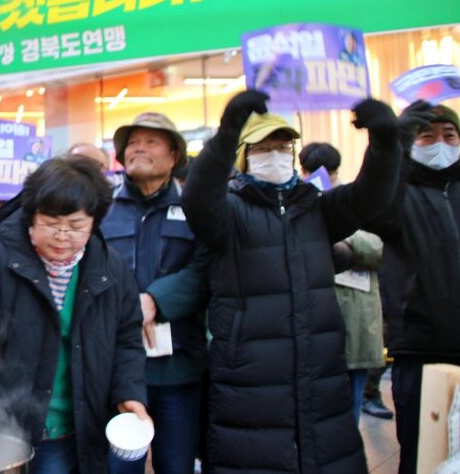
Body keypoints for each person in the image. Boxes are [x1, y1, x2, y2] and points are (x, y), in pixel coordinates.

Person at [180, 91, 401, 473]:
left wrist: (384, 142)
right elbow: (198, 199)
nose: (276, 154)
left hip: (320, 372)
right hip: (249, 378)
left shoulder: (315, 207)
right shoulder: (229, 213)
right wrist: (227, 133)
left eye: (283, 146)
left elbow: (370, 197)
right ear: (245, 157)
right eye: (263, 147)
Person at [0, 156, 150, 474]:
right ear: (31, 216)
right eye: (51, 223)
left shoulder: (110, 267)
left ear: (94, 222)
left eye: (76, 225)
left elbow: (127, 338)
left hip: (83, 425)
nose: (63, 236)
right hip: (10, 427)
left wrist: (129, 392)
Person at [367, 101, 460, 474]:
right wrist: (395, 146)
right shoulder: (397, 192)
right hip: (422, 353)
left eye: (448, 135)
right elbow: (373, 204)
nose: (439, 143)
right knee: (427, 458)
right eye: (427, 135)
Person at [101, 112, 208, 474]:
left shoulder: (196, 208)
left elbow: (206, 269)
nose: (138, 149)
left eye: (150, 142)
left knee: (176, 464)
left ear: (174, 155)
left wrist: (156, 300)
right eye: (132, 143)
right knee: (120, 467)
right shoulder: (103, 209)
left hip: (178, 366)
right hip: (118, 368)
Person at [299, 142, 386, 425]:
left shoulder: (358, 201)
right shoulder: (297, 203)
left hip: (355, 317)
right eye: (311, 171)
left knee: (350, 408)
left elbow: (380, 248)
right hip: (311, 317)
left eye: (329, 172)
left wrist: (341, 232)